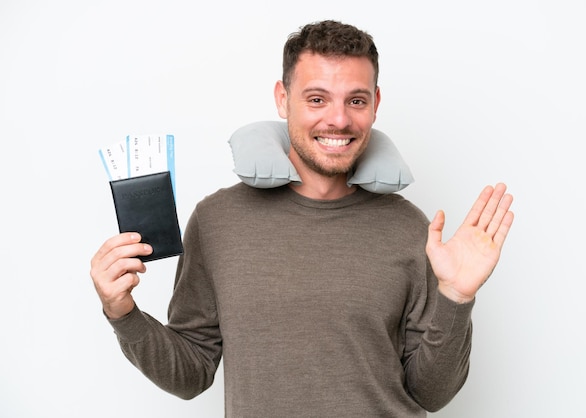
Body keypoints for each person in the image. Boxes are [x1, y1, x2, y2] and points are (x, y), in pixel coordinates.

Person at [90, 20, 514, 417]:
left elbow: (431, 394)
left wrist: (455, 297)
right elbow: (191, 373)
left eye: (356, 100)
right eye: (317, 99)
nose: (339, 119)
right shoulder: (217, 222)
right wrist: (123, 312)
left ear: (376, 104)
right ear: (282, 98)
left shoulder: (411, 229)